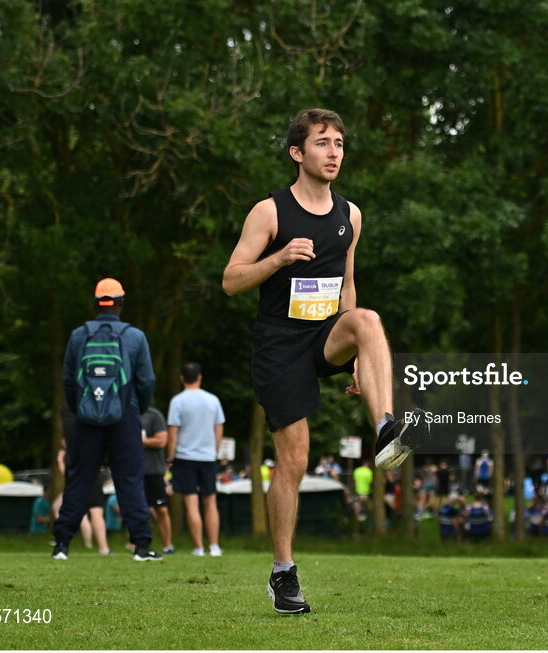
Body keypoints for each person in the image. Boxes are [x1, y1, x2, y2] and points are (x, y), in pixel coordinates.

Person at [222, 108, 430, 614]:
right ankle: (282, 575)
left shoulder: (350, 215)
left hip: (325, 333)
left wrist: (358, 356)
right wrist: (277, 258)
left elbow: (347, 284)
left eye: (339, 142)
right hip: (279, 343)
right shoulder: (269, 212)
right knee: (294, 459)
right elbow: (230, 280)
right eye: (322, 143)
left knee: (369, 320)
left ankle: (385, 428)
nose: (334, 151)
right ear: (298, 153)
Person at [52, 278, 161, 561]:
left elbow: (67, 379)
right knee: (129, 480)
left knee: (79, 480)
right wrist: (139, 408)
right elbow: (146, 380)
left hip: (86, 418)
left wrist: (80, 408)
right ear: (121, 303)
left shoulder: (78, 336)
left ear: (96, 304)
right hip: (124, 415)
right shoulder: (135, 337)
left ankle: (61, 545)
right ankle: (141, 546)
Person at [167, 362, 226, 558]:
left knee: (191, 503)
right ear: (200, 377)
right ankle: (215, 546)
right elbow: (219, 429)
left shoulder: (177, 401)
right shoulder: (213, 400)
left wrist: (170, 456)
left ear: (181, 378)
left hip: (185, 457)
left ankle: (199, 547)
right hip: (208, 457)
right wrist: (214, 451)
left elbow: (173, 432)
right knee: (211, 502)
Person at [140, 406, 173, 554]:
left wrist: (139, 441)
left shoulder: (154, 415)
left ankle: (167, 545)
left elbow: (161, 441)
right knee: (136, 509)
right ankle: (137, 544)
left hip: (154, 470)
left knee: (161, 509)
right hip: (133, 471)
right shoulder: (125, 413)